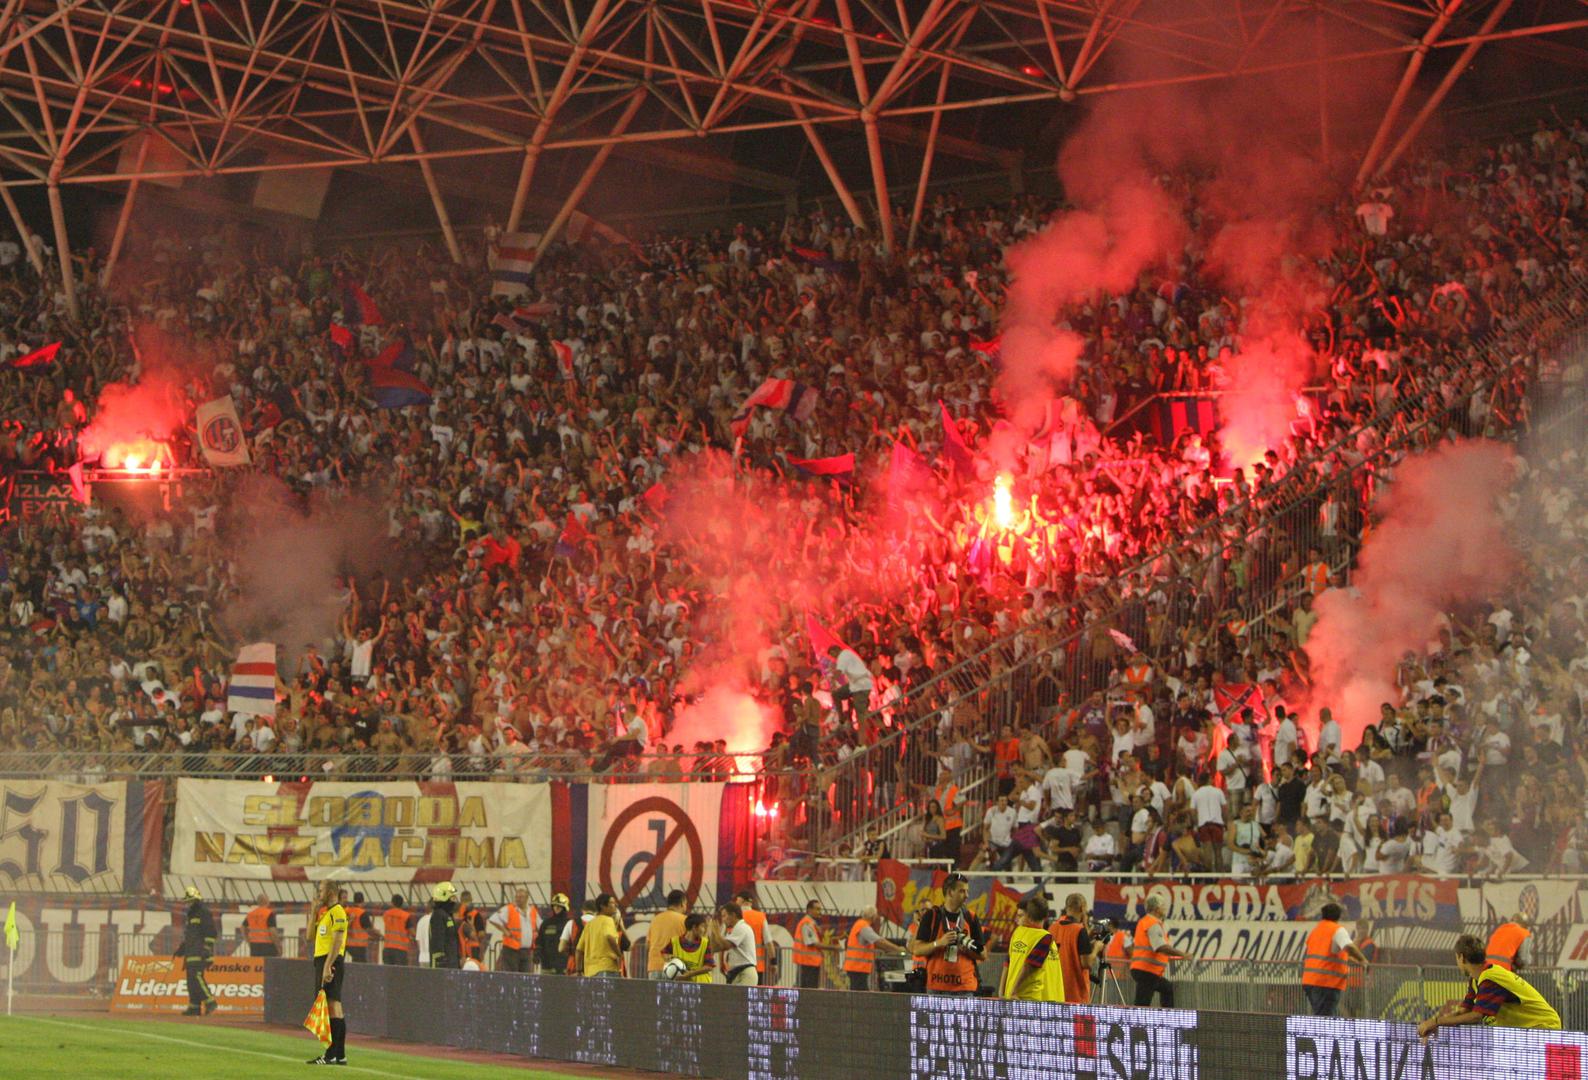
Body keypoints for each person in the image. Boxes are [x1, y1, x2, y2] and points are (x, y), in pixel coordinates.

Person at [1417, 934, 1561, 1039]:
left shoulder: (1490, 978)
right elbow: (1463, 1012)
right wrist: (1435, 1024)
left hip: (1544, 1027)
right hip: (1528, 1030)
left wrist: (1436, 1022)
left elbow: (1476, 1016)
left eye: (1456, 958)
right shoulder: (1476, 980)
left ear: (1461, 957)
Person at [911, 872, 985, 995]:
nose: (967, 895)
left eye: (967, 891)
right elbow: (917, 949)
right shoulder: (932, 915)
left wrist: (967, 948)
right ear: (950, 892)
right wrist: (939, 943)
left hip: (964, 987)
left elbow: (983, 954)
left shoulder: (970, 917)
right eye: (962, 891)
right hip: (936, 986)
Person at [307, 880, 350, 1066]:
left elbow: (338, 941)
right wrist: (313, 912)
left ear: (331, 891)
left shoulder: (338, 912)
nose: (319, 893)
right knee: (333, 1007)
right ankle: (339, 1055)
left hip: (331, 961)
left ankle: (331, 1053)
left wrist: (328, 965)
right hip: (323, 961)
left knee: (333, 1006)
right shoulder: (325, 914)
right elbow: (310, 937)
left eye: (322, 890)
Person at [1302, 902, 1371, 1016]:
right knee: (1325, 1019)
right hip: (1326, 983)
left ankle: (1320, 1033)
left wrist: (1356, 962)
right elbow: (1349, 946)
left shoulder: (1316, 931)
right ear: (1338, 916)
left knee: (1321, 1016)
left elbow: (1331, 954)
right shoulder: (1336, 930)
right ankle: (1322, 1034)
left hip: (1310, 981)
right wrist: (1363, 960)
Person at [1003, 896, 1066, 1002]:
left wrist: (1004, 992)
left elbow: (1007, 963)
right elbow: (1029, 966)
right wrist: (1013, 991)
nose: (1017, 919)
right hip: (1029, 999)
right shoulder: (1045, 938)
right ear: (1046, 916)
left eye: (1020, 916)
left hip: (1016, 997)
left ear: (1028, 915)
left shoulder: (1018, 932)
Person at [1130, 896, 1187, 1007]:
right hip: (1147, 970)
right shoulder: (1152, 923)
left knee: (1167, 989)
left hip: (1146, 970)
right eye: (1163, 906)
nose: (1165, 909)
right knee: (1142, 1005)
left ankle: (1166, 1018)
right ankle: (1142, 1023)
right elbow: (1160, 947)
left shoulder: (1146, 922)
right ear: (1156, 908)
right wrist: (1182, 954)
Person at [1048, 892, 1101, 1004]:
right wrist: (1097, 948)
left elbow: (1069, 944)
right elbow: (1086, 963)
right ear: (1082, 908)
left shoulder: (1052, 928)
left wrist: (1087, 933)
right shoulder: (1079, 930)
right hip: (1075, 995)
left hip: (1054, 991)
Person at [842, 906, 908, 992]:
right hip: (857, 968)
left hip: (856, 967)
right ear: (873, 917)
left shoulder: (860, 925)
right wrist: (898, 949)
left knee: (859, 994)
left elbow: (872, 943)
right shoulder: (864, 927)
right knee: (861, 996)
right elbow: (879, 941)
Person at [177, 886, 217, 1017]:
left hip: (199, 952)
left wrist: (207, 948)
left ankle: (210, 1002)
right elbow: (191, 935)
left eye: (190, 900)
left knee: (196, 977)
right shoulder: (191, 914)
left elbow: (211, 932)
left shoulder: (203, 912)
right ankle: (194, 1007)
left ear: (195, 900)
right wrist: (181, 949)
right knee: (191, 980)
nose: (187, 903)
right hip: (191, 952)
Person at [792, 899, 842, 989]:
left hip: (810, 962)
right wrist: (833, 947)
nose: (820, 912)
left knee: (809, 989)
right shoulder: (806, 923)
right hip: (807, 962)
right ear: (809, 910)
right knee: (809, 990)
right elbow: (812, 943)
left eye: (820, 909)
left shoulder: (811, 923)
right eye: (817, 909)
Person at [709, 902, 760, 986]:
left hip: (745, 973)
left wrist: (717, 932)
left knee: (741, 999)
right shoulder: (732, 931)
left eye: (724, 916)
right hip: (735, 973)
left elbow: (726, 945)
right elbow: (715, 947)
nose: (723, 919)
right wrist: (713, 933)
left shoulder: (742, 927)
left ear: (733, 915)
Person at [576, 893, 627, 977]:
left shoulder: (589, 924)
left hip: (590, 972)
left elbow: (578, 950)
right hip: (606, 968)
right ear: (603, 906)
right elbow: (609, 937)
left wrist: (578, 970)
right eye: (612, 903)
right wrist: (619, 955)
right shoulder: (608, 920)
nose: (615, 905)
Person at [647, 889, 690, 978]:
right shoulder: (685, 921)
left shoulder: (655, 919)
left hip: (654, 968)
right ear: (682, 903)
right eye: (686, 903)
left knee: (654, 992)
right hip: (675, 968)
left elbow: (648, 945)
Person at [493, 887, 536, 973]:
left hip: (527, 950)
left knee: (526, 976)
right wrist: (505, 931)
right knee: (512, 976)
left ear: (527, 898)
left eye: (521, 897)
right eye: (517, 897)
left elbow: (539, 924)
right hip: (511, 950)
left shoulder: (532, 911)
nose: (518, 899)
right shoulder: (509, 909)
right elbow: (494, 919)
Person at [735, 889, 772, 982]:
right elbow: (769, 942)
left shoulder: (733, 917)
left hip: (736, 965)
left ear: (741, 901)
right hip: (756, 966)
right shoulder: (760, 917)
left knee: (736, 994)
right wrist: (773, 961)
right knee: (755, 994)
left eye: (736, 900)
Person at [665, 914, 715, 982]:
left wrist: (691, 973)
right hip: (681, 986)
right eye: (703, 926)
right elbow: (664, 953)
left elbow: (709, 966)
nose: (704, 930)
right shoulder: (674, 942)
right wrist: (668, 958)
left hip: (701, 986)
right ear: (694, 927)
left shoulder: (705, 943)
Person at [427, 881, 461, 970]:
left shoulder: (447, 915)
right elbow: (437, 940)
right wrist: (441, 960)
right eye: (452, 897)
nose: (455, 901)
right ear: (444, 896)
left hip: (451, 962)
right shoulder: (438, 915)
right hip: (443, 965)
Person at [535, 893, 570, 974]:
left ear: (565, 907)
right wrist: (537, 953)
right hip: (547, 964)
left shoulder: (570, 923)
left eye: (559, 906)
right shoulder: (546, 923)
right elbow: (540, 940)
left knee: (565, 986)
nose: (556, 908)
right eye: (554, 906)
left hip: (565, 965)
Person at [241, 893, 280, 957]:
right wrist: (278, 946)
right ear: (266, 901)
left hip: (254, 946)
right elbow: (273, 932)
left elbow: (242, 927)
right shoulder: (269, 913)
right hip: (267, 946)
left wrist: (247, 940)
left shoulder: (251, 914)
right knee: (269, 966)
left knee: (257, 966)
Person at [381, 896, 412, 966]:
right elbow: (412, 931)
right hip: (401, 949)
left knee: (388, 972)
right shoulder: (406, 916)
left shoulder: (386, 914)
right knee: (401, 973)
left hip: (387, 948)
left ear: (392, 903)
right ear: (402, 904)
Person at [343, 891, 372, 963]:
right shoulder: (363, 913)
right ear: (363, 901)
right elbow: (368, 928)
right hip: (359, 945)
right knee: (361, 965)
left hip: (347, 944)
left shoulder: (347, 910)